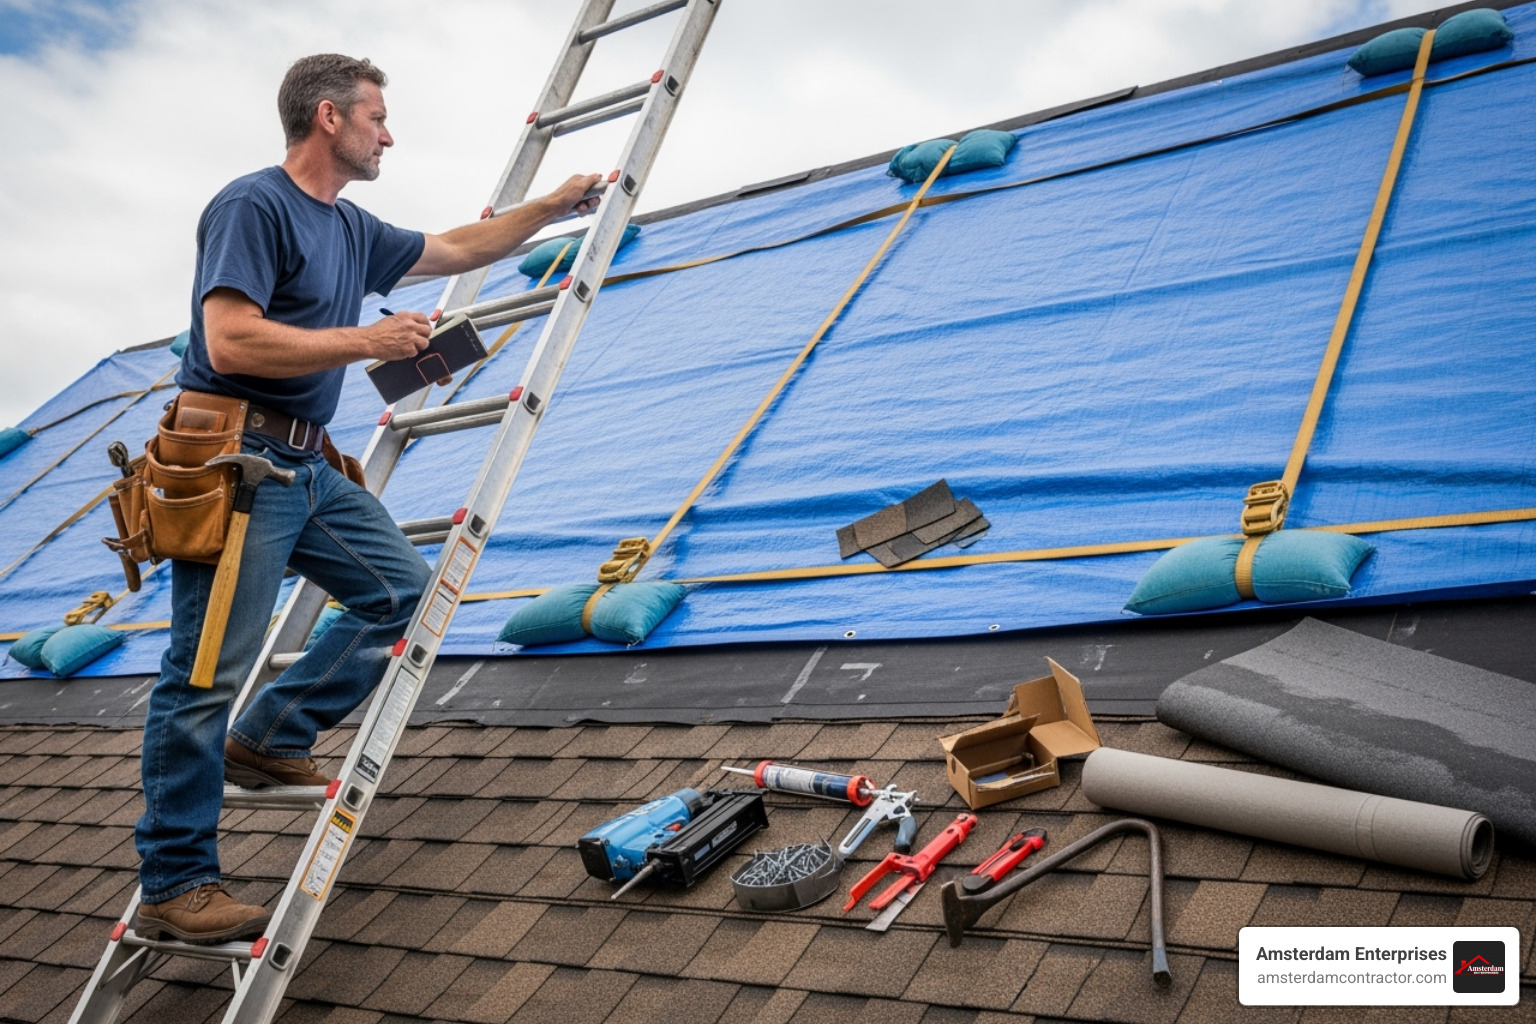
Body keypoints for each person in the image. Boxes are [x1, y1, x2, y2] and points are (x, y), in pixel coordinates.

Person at [133, 53, 601, 942]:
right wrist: (367, 339)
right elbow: (228, 341)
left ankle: (271, 732)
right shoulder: (253, 205)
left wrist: (553, 207)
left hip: (308, 465)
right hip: (240, 464)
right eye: (377, 117)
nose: (390, 133)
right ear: (327, 118)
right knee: (202, 676)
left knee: (404, 593)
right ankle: (176, 880)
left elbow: (458, 247)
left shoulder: (350, 227)